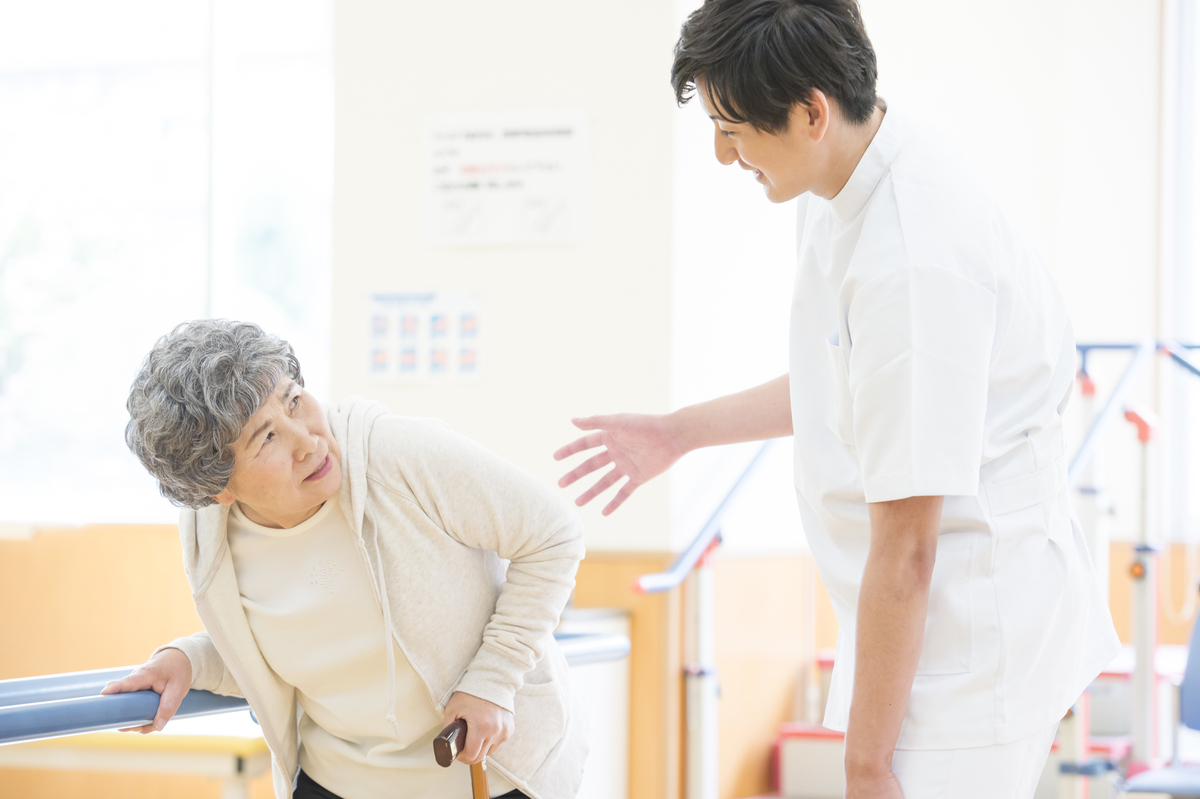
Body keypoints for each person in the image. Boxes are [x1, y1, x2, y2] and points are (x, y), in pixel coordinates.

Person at [554, 1, 1119, 797]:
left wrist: (865, 762)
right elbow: (846, 384)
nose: (723, 153)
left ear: (811, 112)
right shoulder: (854, 179)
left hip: (967, 645)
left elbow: (908, 547)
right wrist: (679, 434)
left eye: (731, 127)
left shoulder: (911, 259)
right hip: (924, 625)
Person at [104, 319, 587, 799]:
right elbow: (288, 651)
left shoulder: (395, 455)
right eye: (266, 438)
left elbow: (553, 535)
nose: (308, 441)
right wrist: (190, 661)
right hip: (335, 783)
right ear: (219, 488)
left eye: (294, 400)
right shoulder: (210, 535)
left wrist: (493, 680)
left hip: (487, 773)